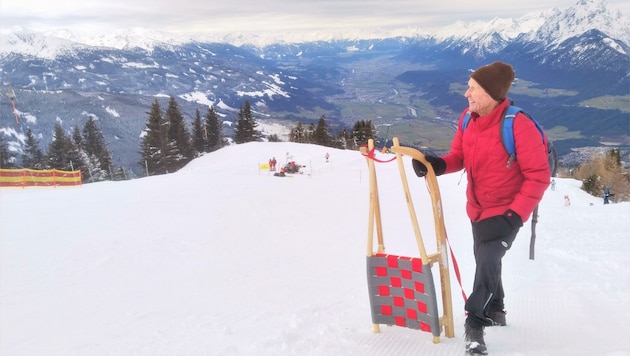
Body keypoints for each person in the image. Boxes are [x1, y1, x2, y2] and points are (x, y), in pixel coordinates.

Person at [411, 62, 550, 355]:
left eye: (472, 88)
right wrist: (436, 165)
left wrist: (513, 217)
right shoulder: (468, 119)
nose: (466, 94)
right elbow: (458, 156)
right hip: (477, 210)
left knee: (487, 261)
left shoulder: (518, 125)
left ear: (489, 93)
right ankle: (497, 309)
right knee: (486, 262)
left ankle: (475, 324)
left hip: (507, 212)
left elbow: (539, 177)